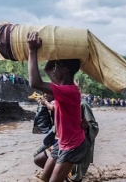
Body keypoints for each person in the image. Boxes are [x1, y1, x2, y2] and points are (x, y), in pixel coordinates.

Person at [27, 31, 87, 182]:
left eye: (57, 66)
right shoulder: (63, 85)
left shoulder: (67, 90)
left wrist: (32, 50)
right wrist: (55, 48)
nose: (54, 70)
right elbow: (48, 68)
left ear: (65, 71)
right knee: (43, 178)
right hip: (62, 142)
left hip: (73, 145)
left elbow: (35, 83)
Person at [34, 98, 99, 182]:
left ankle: (64, 175)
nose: (44, 95)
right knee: (38, 159)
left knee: (73, 176)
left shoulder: (82, 104)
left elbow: (94, 127)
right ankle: (60, 175)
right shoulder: (57, 103)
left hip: (76, 144)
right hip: (59, 141)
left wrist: (87, 125)